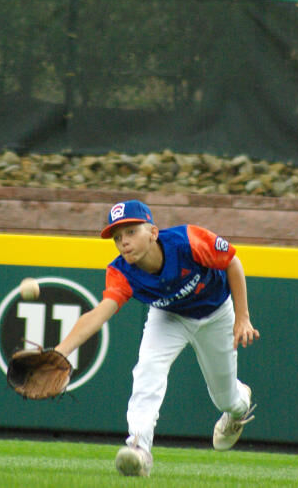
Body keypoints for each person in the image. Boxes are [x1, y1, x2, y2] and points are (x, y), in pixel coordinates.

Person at [54, 199, 260, 477]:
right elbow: (99, 314)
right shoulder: (121, 271)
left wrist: (242, 317)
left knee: (225, 400)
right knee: (148, 369)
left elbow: (232, 262)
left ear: (152, 232)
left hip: (216, 313)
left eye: (131, 232)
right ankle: (139, 448)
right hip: (169, 316)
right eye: (117, 237)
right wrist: (60, 353)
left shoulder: (187, 241)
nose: (123, 242)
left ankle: (238, 407)